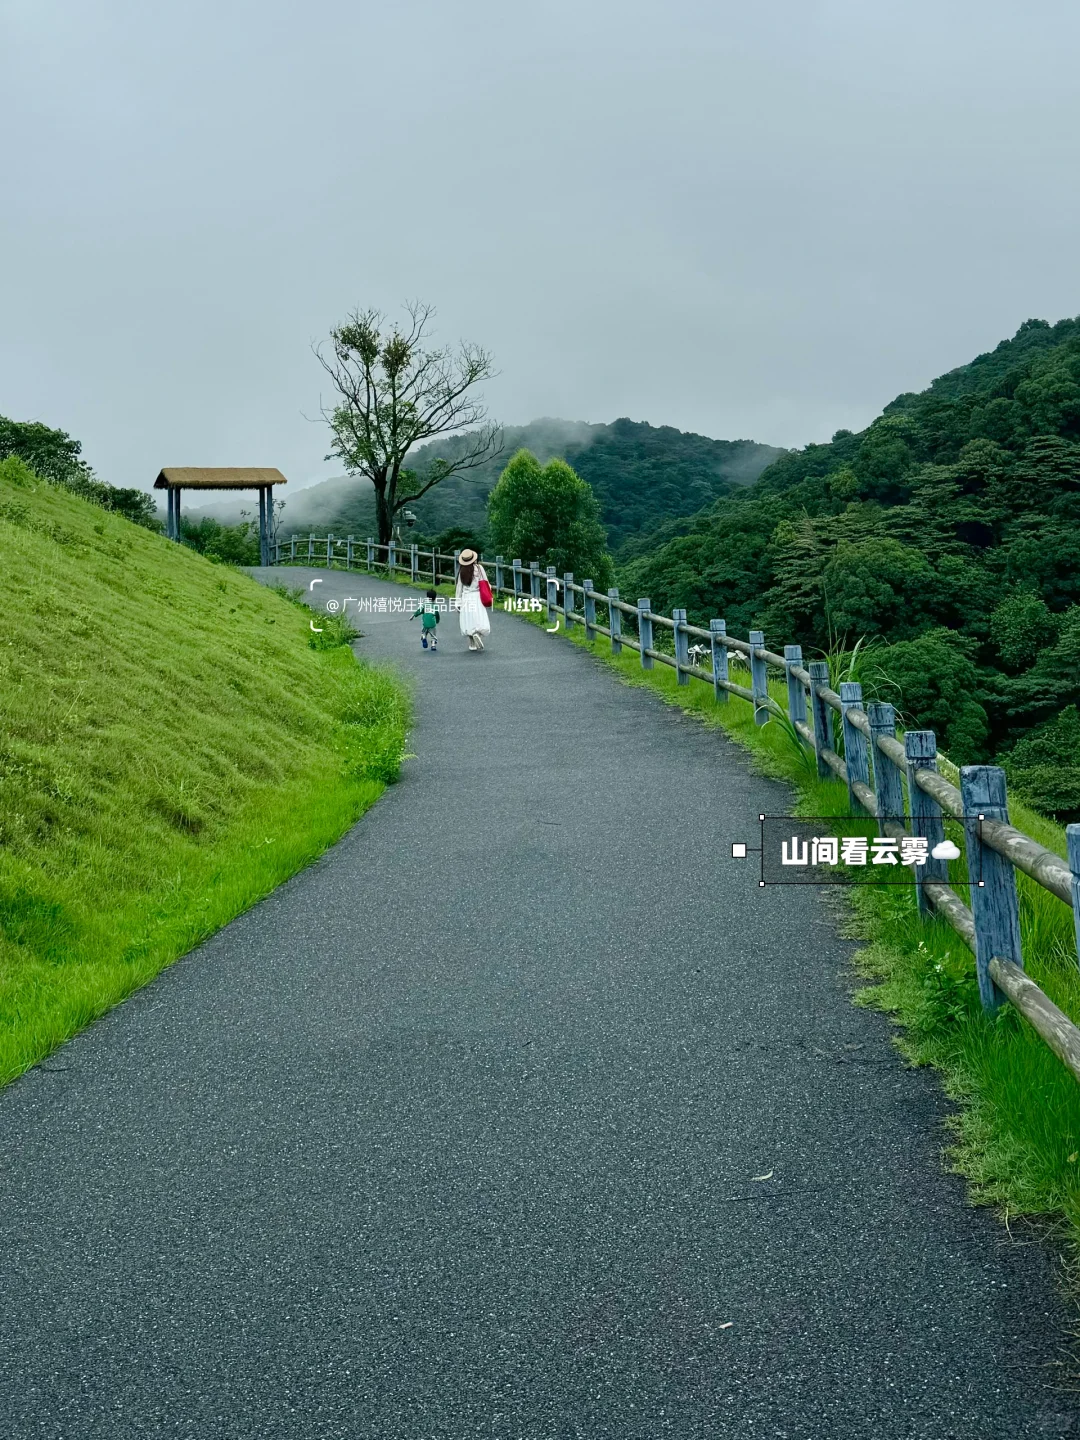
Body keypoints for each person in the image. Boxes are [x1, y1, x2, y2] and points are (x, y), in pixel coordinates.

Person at [455, 548, 491, 651]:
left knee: (468, 620)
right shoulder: (479, 568)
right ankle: (478, 634)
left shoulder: (462, 571)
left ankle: (472, 643)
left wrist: (458, 602)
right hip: (477, 596)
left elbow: (459, 588)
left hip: (466, 597)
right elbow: (486, 582)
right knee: (478, 618)